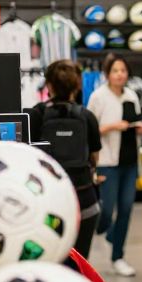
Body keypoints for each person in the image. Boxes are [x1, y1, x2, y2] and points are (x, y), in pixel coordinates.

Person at [29, 60, 102, 258]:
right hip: (84, 198)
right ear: (77, 85)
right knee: (80, 262)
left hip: (48, 201)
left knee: (50, 260)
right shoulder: (87, 117)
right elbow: (94, 158)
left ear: (49, 85)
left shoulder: (35, 115)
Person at [87, 53, 142, 277]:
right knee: (105, 210)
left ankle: (118, 256)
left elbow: (136, 120)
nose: (120, 74)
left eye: (123, 70)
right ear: (107, 74)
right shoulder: (98, 97)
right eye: (115, 70)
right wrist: (113, 126)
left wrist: (141, 128)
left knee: (126, 209)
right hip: (107, 162)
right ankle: (109, 232)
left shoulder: (131, 95)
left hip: (130, 160)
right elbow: (90, 130)